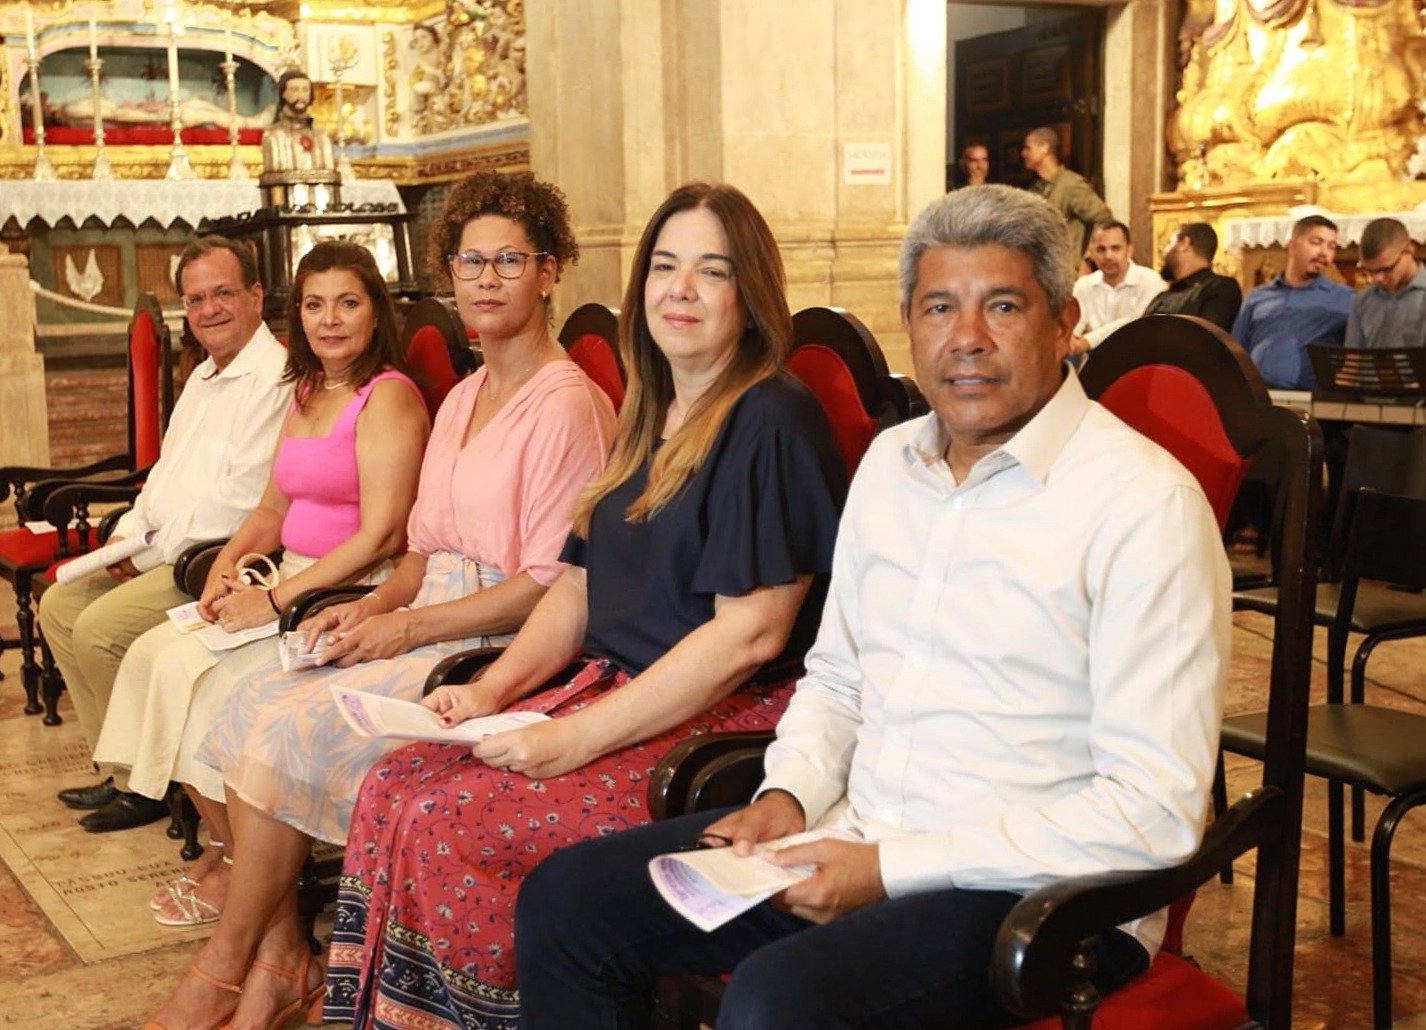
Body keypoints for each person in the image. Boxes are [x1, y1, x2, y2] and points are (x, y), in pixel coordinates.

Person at [515, 184, 1233, 1028]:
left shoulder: (1142, 504)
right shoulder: (894, 465)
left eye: (1001, 305)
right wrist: (788, 792)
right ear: (908, 323)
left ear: (1064, 321)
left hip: (1038, 898)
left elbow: (1151, 811)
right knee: (568, 903)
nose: (966, 339)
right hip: (849, 833)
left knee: (779, 1005)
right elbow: (839, 677)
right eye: (938, 308)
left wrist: (893, 868)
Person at [324, 181, 848, 1030]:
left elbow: (748, 639)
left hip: (716, 723)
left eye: (710, 271)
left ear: (750, 294)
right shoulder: (652, 410)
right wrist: (492, 693)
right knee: (393, 784)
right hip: (608, 686)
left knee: (457, 819)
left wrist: (570, 738)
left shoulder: (770, 418)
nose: (680, 289)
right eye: (666, 266)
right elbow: (575, 583)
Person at [144, 170, 618, 1030]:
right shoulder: (467, 394)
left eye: (509, 260)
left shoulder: (568, 405)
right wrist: (361, 612)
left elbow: (547, 587)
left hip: (497, 644)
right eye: (470, 262)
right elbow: (419, 551)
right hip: (424, 613)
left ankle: (226, 966)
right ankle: (282, 958)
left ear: (550, 271)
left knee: (296, 731)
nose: (486, 279)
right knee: (251, 701)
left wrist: (404, 624)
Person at [93, 241, 429, 927]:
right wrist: (224, 570)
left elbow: (382, 537)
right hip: (284, 575)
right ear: (295, 312)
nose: (329, 320)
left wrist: (272, 601)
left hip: (343, 591)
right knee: (156, 658)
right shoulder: (307, 389)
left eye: (347, 303)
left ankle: (245, 868)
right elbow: (271, 510)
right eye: (313, 304)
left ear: (375, 312)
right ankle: (225, 847)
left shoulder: (386, 396)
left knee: (214, 692)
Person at [43, 236, 292, 836]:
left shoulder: (276, 378)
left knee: (99, 630)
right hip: (157, 550)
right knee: (57, 608)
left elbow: (236, 505)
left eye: (223, 294)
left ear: (256, 296)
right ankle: (119, 763)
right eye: (196, 299)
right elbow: (165, 478)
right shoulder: (203, 376)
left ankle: (146, 785)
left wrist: (147, 553)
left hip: (211, 565)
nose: (209, 310)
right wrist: (126, 539)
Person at [1231, 213, 1353, 390]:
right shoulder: (1257, 297)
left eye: (1331, 246)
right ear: (1292, 247)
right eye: (1316, 242)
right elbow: (1237, 353)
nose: (1324, 252)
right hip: (1259, 399)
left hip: (1313, 402)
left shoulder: (1346, 299)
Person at [1070, 219, 1167, 353]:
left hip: (1141, 364)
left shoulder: (1152, 281)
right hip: (1095, 367)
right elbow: (1073, 328)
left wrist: (1088, 341)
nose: (1108, 256)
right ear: (1091, 253)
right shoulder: (1083, 286)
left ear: (1129, 250)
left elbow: (1135, 324)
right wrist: (1072, 338)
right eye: (1101, 249)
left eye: (1115, 248)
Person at [1022, 126, 1110, 260]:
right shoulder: (1036, 189)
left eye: (1028, 148)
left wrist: (1089, 257)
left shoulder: (1071, 185)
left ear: (1044, 148)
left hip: (1067, 270)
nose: (1023, 153)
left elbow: (1104, 217)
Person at [1143, 222, 1243, 331]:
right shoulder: (1163, 295)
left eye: (1169, 243)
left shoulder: (1221, 288)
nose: (1163, 251)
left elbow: (1207, 338)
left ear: (1185, 243)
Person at [1345, 217, 1426, 350]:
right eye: (1370, 271)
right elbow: (1353, 358)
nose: (1378, 279)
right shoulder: (1363, 300)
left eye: (1386, 269)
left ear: (1409, 250)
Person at [260, 68, 335, 174]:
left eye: (305, 90)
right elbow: (273, 180)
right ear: (283, 94)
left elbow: (330, 176)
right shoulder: (273, 136)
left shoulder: (322, 136)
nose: (301, 96)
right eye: (294, 90)